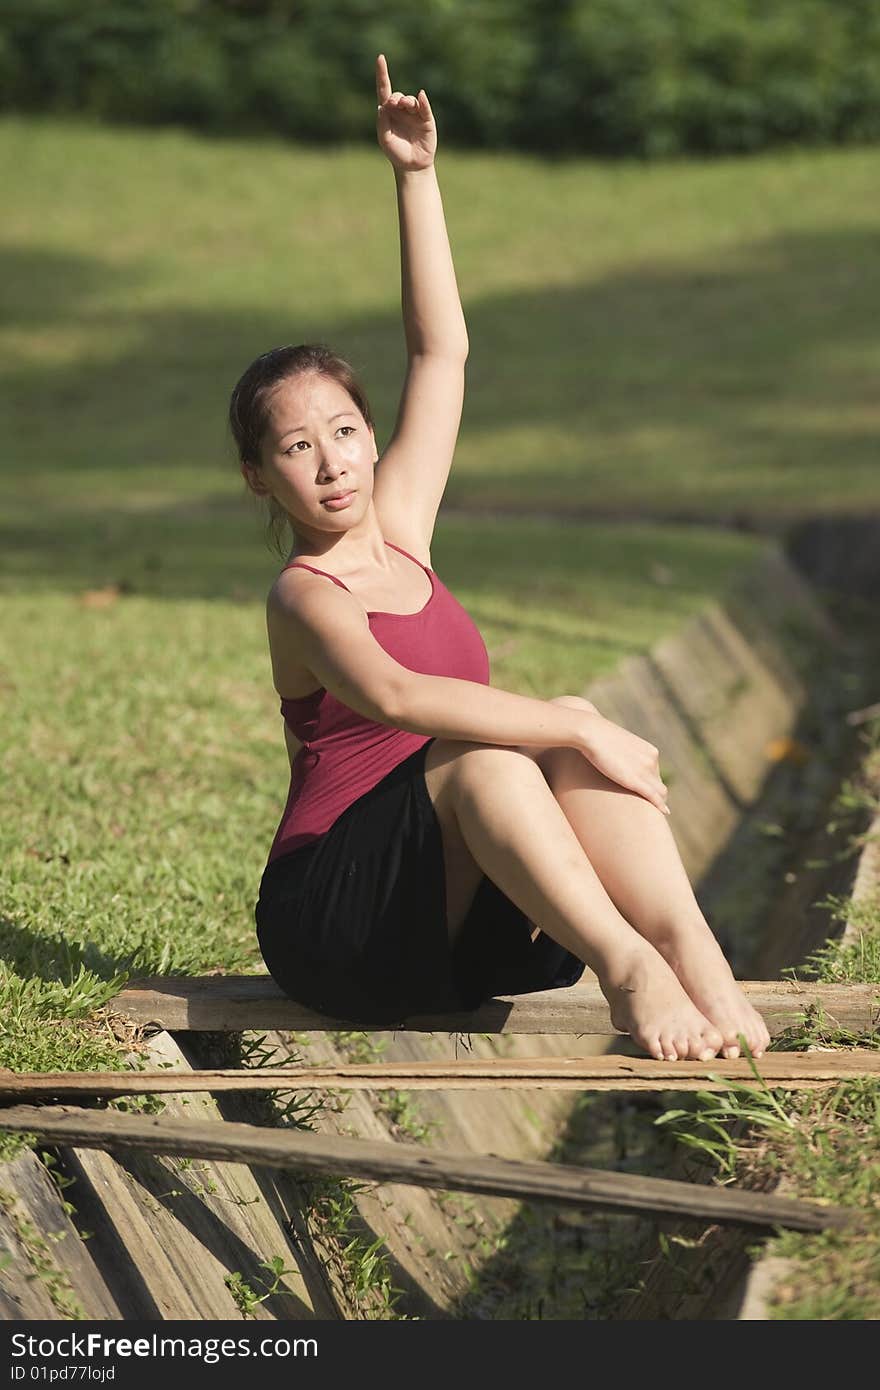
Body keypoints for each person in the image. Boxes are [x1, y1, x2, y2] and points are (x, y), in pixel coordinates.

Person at [232, 54, 770, 1062]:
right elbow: (394, 694)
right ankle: (631, 971)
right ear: (261, 476)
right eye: (296, 447)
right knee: (502, 745)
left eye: (343, 431)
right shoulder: (302, 596)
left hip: (453, 916)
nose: (331, 463)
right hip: (336, 927)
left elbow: (440, 353)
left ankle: (692, 954)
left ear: (371, 436)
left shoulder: (403, 532)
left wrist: (414, 177)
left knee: (547, 733)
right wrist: (575, 725)